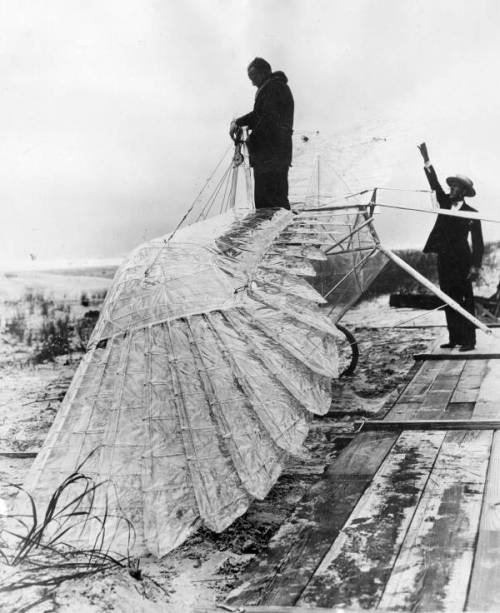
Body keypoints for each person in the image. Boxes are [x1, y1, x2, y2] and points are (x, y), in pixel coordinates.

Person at [418, 142, 484, 351]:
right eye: (451, 186)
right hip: (444, 258)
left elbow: (479, 243)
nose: (451, 189)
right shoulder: (444, 203)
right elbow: (434, 183)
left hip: (463, 261)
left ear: (463, 191)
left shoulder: (472, 213)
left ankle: (469, 341)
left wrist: (475, 267)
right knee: (448, 297)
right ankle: (454, 338)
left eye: (455, 187)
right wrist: (426, 160)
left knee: (465, 298)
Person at [229, 57, 294, 210]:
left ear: (263, 72)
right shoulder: (277, 86)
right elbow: (263, 116)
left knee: (268, 206)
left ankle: (280, 234)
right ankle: (282, 233)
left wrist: (238, 124)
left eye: (253, 77)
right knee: (277, 202)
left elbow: (263, 117)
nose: (252, 82)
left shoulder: (272, 88)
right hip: (277, 155)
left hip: (269, 157)